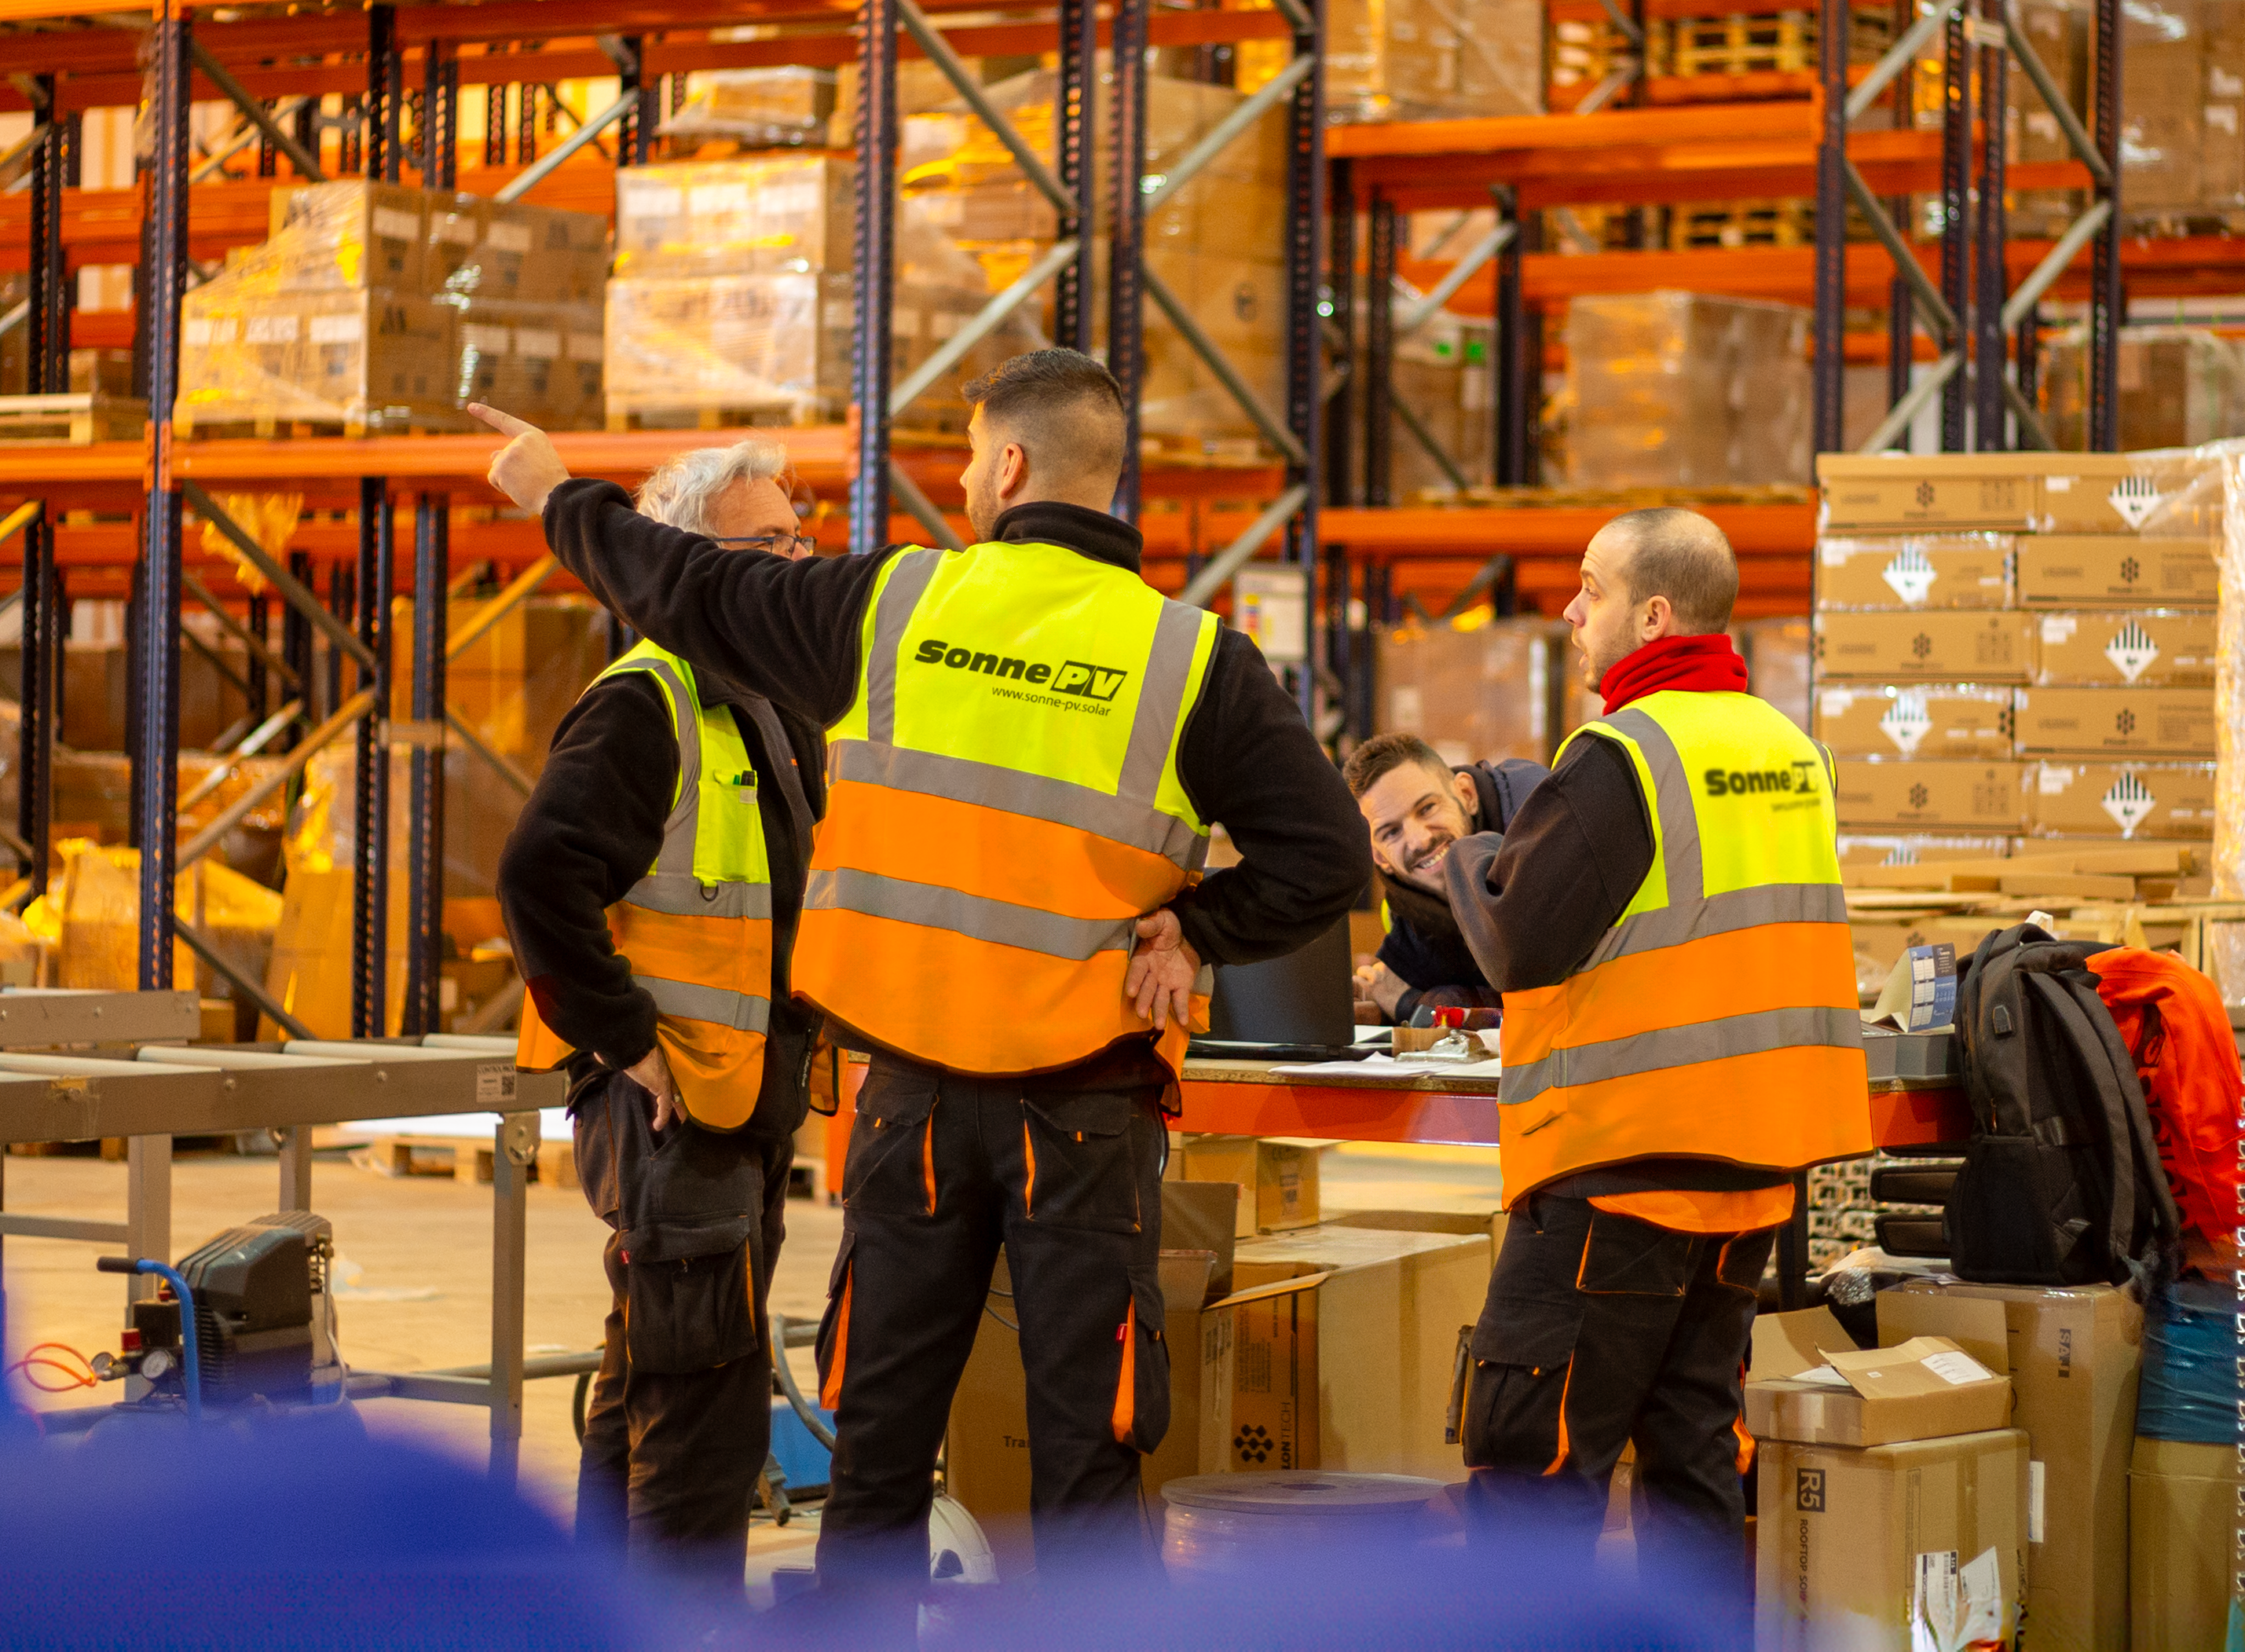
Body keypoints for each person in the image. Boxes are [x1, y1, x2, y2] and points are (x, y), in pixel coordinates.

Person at [471, 351, 1372, 1596]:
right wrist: (1201, 929)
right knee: (1089, 1451)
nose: (957, 477)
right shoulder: (1193, 659)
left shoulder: (898, 607)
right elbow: (1329, 855)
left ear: (1008, 465)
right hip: (1086, 1116)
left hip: (912, 1113)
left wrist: (561, 494)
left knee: (883, 1445)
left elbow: (683, 583)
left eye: (964, 456)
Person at [1439, 507, 1868, 1588]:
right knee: (1693, 1473)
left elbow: (1516, 944)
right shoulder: (1789, 749)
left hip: (1618, 1176)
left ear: (1655, 611)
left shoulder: (1626, 753)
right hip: (1750, 1184)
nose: (1573, 610)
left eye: (1592, 586)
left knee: (1530, 1470)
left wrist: (1466, 852)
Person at [499, 439, 822, 1601]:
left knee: (652, 1376)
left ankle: (595, 1614)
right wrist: (626, 1037)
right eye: (766, 546)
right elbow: (539, 876)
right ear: (682, 561)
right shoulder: (651, 700)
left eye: (799, 541)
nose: (791, 568)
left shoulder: (765, 705)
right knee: (703, 1404)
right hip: (672, 1105)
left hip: (739, 1098)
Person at [1338, 733, 1542, 1025]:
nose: (1420, 840)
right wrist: (1375, 1008)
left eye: (1427, 808)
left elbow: (1536, 1013)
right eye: (1391, 833)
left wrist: (1411, 1005)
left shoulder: (1541, 830)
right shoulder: (1405, 912)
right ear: (1381, 857)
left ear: (1467, 795)